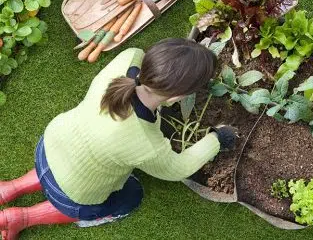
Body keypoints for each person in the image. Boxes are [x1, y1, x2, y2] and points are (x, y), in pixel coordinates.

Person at [0, 38, 236, 240]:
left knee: (64, 165)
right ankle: (22, 217)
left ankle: (10, 188)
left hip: (49, 146)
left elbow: (138, 55)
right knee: (131, 196)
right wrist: (218, 138)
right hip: (74, 193)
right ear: (176, 97)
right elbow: (178, 168)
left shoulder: (127, 59)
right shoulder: (145, 143)